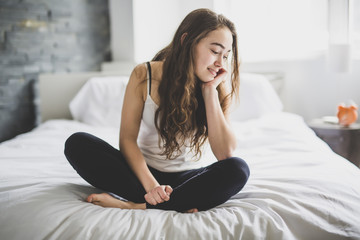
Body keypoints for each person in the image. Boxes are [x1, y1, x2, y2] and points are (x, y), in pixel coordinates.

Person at [64, 8, 250, 213]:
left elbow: (225, 154)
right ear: (187, 41)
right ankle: (176, 202)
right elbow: (127, 140)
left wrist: (209, 92)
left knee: (238, 169)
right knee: (77, 143)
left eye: (226, 56)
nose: (220, 63)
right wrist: (152, 186)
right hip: (141, 174)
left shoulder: (216, 88)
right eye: (215, 51)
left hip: (187, 179)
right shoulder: (145, 74)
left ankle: (135, 205)